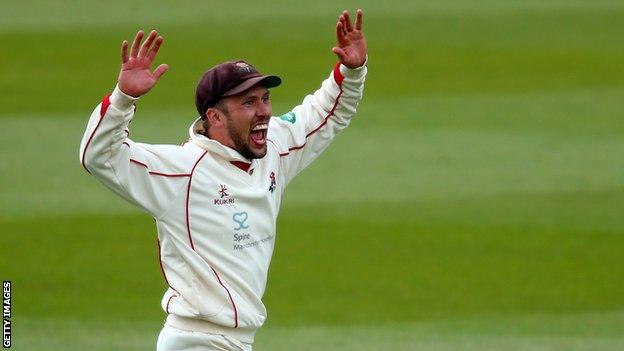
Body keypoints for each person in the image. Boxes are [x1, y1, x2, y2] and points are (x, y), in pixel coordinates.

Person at [79, 9, 367, 351]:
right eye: (248, 102)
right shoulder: (183, 171)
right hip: (196, 340)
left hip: (237, 341)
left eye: (265, 98)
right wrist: (124, 99)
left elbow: (326, 112)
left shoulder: (273, 146)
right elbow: (99, 156)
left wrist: (352, 71)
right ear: (214, 116)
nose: (263, 112)